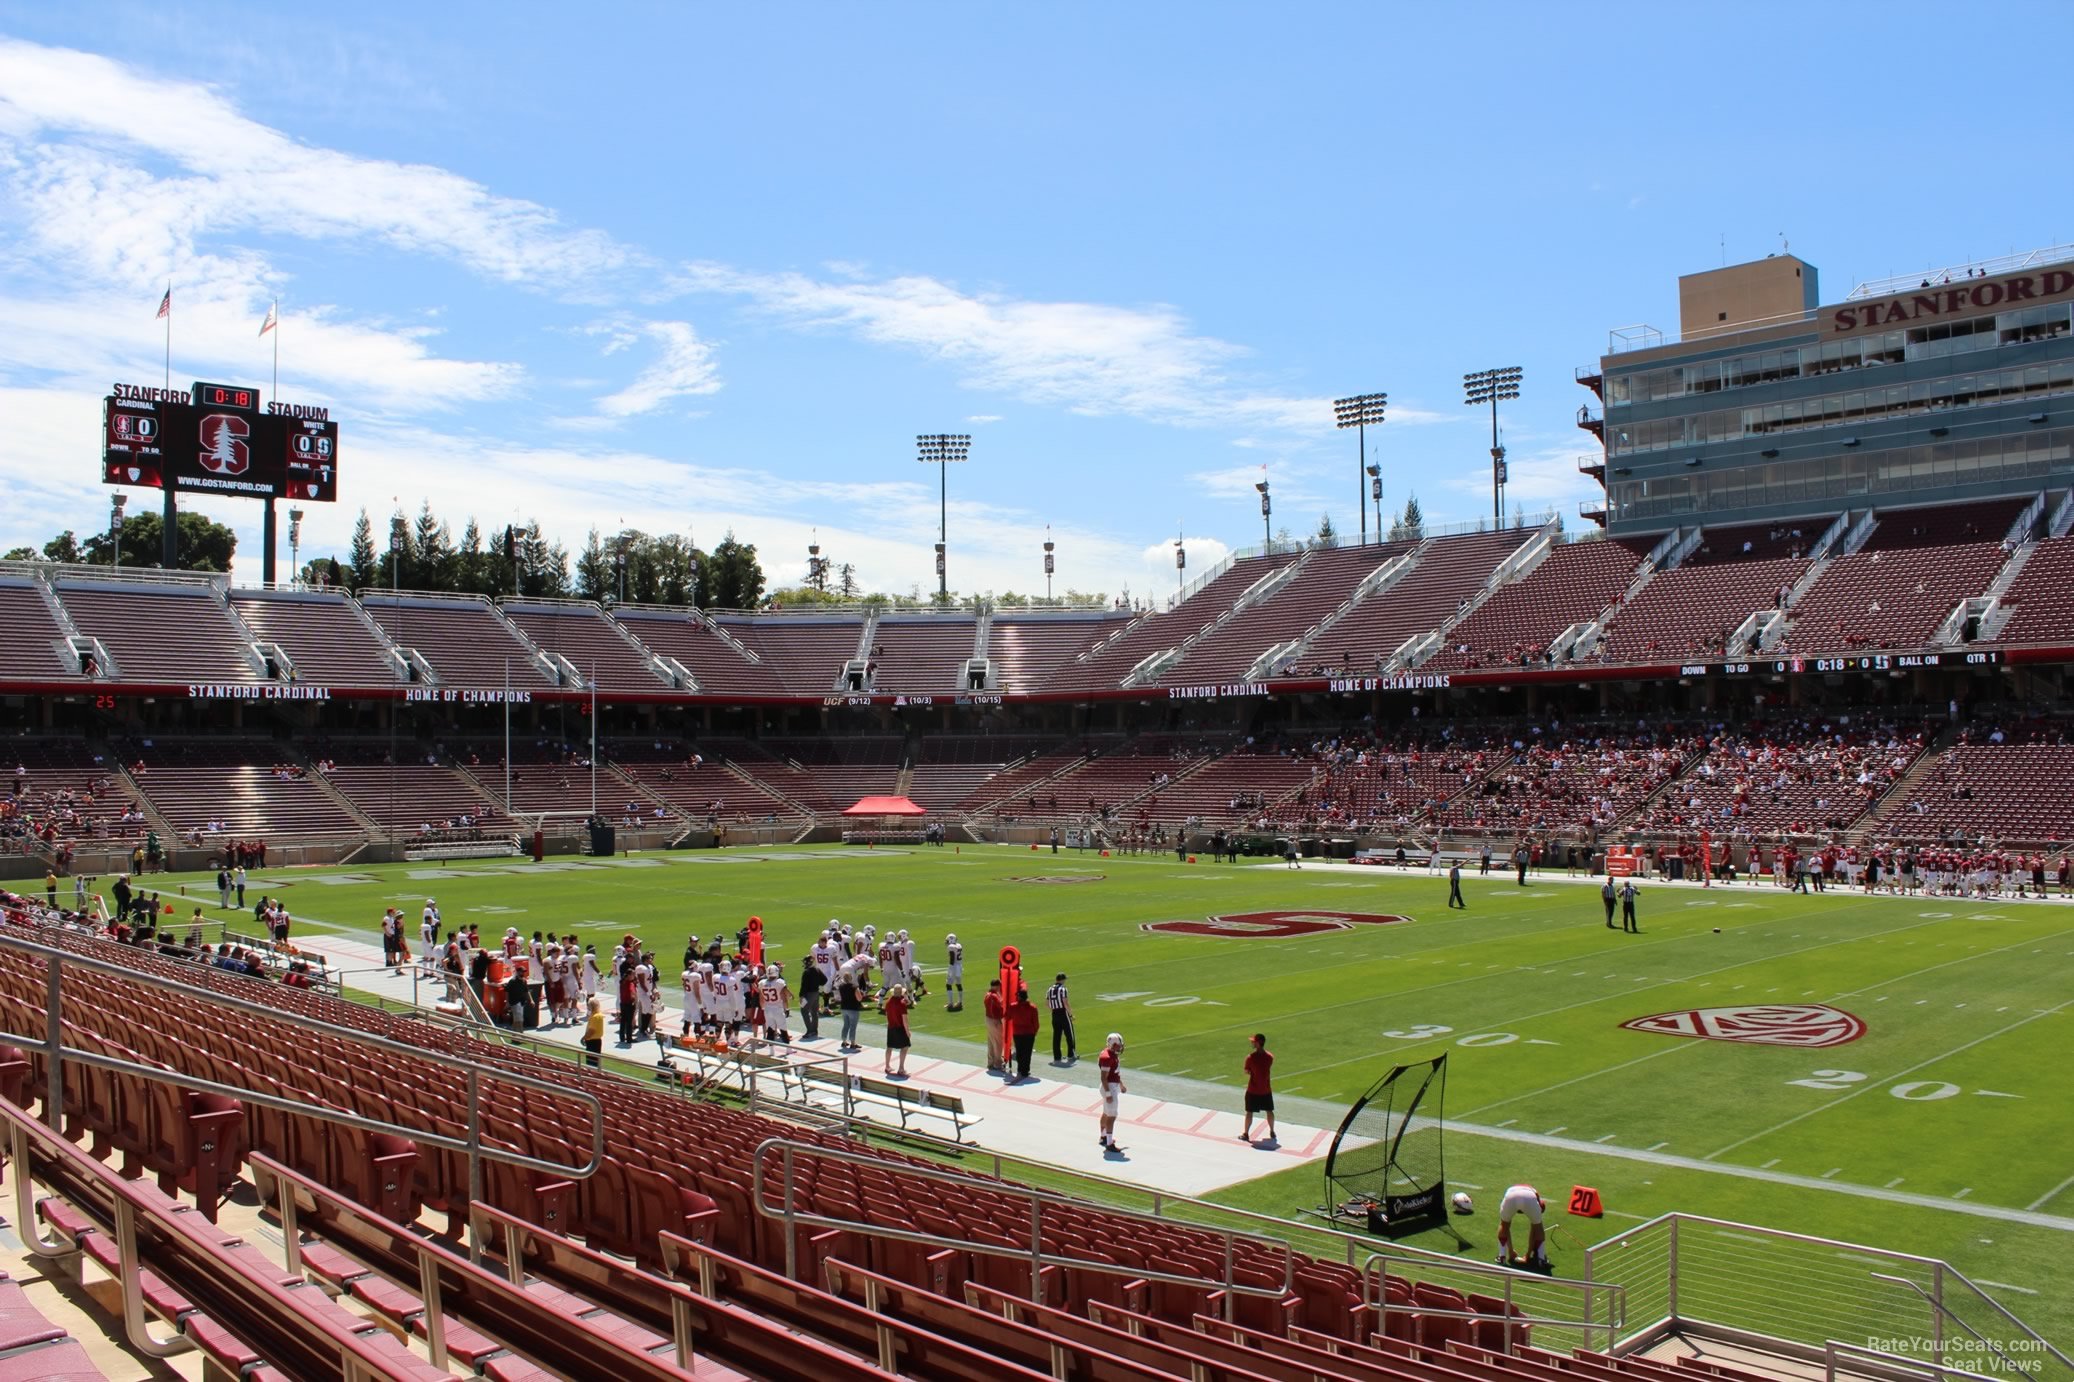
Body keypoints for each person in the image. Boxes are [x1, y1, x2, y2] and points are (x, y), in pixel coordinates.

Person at [1496, 1184, 1550, 1269]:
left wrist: (1511, 1251)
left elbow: (1506, 1229)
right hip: (1529, 1197)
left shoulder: (1514, 1188)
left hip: (1511, 1195)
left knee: (1504, 1225)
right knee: (1538, 1227)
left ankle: (1502, 1256)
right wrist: (1528, 1255)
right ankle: (1541, 1258)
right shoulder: (1536, 1198)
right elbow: (1534, 1231)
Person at [1241, 1032, 1276, 1144]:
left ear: (1258, 1043)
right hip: (1266, 1089)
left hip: (1253, 1089)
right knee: (1269, 1111)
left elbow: (1247, 1071)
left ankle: (1246, 1133)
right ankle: (1272, 1131)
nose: (1252, 1043)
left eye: (1254, 1041)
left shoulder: (1250, 1058)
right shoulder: (1269, 1057)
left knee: (1249, 1112)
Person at [1097, 1032, 1126, 1153]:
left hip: (1111, 1086)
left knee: (1105, 1113)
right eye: (1118, 1045)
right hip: (1109, 1087)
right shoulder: (1107, 1057)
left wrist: (1121, 1084)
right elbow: (1104, 1077)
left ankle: (1103, 1136)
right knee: (1111, 1116)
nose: (1120, 1047)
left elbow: (1115, 1073)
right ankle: (1109, 1143)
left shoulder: (1110, 1054)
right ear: (1113, 1045)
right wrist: (1109, 1094)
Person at [1009, 986, 1040, 1081]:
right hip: (1029, 1032)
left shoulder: (1013, 1006)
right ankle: (1025, 1070)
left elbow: (1007, 1017)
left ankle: (1020, 1069)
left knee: (1019, 1052)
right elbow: (1036, 1022)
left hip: (1017, 1032)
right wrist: (1034, 1031)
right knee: (1027, 1052)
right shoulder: (1032, 1007)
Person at [882, 984, 913, 1077]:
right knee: (905, 1047)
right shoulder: (901, 1003)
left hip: (891, 1026)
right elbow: (905, 1019)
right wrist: (907, 1031)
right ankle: (901, 1068)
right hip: (900, 1028)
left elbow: (887, 1014)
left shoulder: (888, 1001)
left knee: (889, 1047)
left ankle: (887, 1066)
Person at [1046, 972, 1076, 1064]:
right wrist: (1070, 1014)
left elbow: (1047, 1004)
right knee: (1069, 1034)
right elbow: (1065, 1002)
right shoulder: (1063, 989)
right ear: (1062, 980)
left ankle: (1057, 1057)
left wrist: (1053, 1011)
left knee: (1056, 1036)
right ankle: (1071, 1055)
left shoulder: (1049, 989)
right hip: (1063, 1012)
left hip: (1054, 1013)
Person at [837, 964, 864, 1052]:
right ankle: (852, 1043)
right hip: (853, 1008)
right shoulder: (854, 987)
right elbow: (859, 998)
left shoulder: (841, 987)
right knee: (853, 1026)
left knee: (846, 1024)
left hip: (844, 1007)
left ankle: (844, 1041)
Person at [982, 978, 1006, 1074]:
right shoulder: (994, 996)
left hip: (988, 1019)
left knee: (991, 1042)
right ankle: (997, 1063)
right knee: (998, 1042)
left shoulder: (987, 995)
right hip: (994, 1020)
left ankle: (991, 1062)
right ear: (996, 986)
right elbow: (1000, 1008)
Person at [944, 933, 965, 1012]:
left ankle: (950, 1003)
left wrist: (950, 968)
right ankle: (960, 1002)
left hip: (953, 967)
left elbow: (952, 958)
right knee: (958, 984)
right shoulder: (959, 945)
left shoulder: (951, 947)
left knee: (948, 984)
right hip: (959, 967)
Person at [582, 997, 605, 1068]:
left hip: (592, 1041)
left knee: (591, 1062)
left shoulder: (595, 1017)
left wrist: (583, 1038)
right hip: (597, 1041)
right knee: (596, 1060)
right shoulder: (598, 1015)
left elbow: (591, 1031)